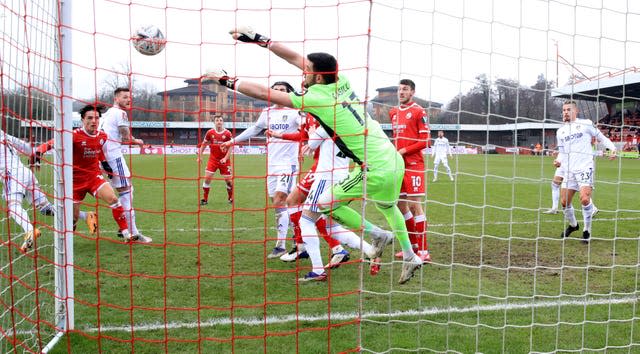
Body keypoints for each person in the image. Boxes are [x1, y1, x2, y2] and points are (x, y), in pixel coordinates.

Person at [210, 25, 422, 284]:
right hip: (392, 158)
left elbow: (266, 93)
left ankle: (376, 236)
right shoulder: (340, 80)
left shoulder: (315, 98)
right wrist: (259, 39)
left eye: (308, 70)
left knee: (323, 204)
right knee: (390, 209)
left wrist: (227, 81)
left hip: (374, 168)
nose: (303, 70)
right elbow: (296, 58)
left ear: (318, 77)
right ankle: (410, 255)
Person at [34, 104, 150, 243]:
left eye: (96, 118)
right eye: (89, 118)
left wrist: (105, 163)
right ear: (82, 120)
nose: (93, 121)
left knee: (113, 199)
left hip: (94, 177)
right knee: (73, 218)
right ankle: (65, 243)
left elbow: (98, 149)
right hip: (74, 181)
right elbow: (53, 142)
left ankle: (126, 234)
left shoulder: (102, 136)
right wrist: (39, 151)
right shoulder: (73, 136)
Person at [220, 81, 301, 259]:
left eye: (282, 90)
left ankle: (283, 244)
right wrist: (232, 141)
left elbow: (305, 131)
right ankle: (297, 238)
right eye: (276, 90)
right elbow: (254, 129)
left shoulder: (295, 112)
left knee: (281, 199)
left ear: (288, 93)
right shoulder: (267, 112)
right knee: (279, 204)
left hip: (288, 164)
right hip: (271, 164)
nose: (278, 93)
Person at [267, 114, 352, 268]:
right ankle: (335, 248)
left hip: (324, 167)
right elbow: (303, 135)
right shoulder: (307, 114)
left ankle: (302, 246)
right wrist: (281, 135)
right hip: (322, 166)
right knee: (314, 211)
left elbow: (316, 137)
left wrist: (312, 139)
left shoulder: (322, 112)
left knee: (295, 202)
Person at [554, 100, 616, 242]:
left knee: (585, 199)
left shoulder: (586, 124)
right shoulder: (561, 131)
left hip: (584, 167)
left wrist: (612, 148)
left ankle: (587, 230)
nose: (565, 112)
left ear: (576, 111)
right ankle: (573, 225)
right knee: (564, 202)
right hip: (568, 170)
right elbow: (562, 152)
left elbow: (601, 137)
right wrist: (558, 160)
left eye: (568, 110)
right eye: (563, 110)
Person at [98, 87, 150, 241]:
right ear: (116, 99)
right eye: (125, 97)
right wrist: (137, 141)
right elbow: (125, 136)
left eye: (129, 97)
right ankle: (133, 233)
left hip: (102, 156)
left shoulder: (106, 114)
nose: (128, 100)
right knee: (126, 193)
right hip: (114, 156)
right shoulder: (121, 113)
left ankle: (124, 227)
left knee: (128, 189)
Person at [389, 79, 432, 264]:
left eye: (405, 89)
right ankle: (412, 247)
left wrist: (404, 151)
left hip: (414, 165)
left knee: (415, 206)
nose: (401, 92)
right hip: (398, 165)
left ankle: (424, 251)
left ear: (412, 92)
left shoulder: (418, 111)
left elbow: (425, 141)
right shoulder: (393, 112)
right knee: (400, 205)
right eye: (399, 89)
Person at [0, 129, 55, 253]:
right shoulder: (3, 134)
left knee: (13, 206)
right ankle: (84, 215)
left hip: (12, 174)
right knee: (46, 209)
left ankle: (29, 230)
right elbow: (23, 145)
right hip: (25, 173)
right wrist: (35, 154)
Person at [197, 114, 233, 205]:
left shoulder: (228, 133)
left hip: (225, 161)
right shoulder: (210, 133)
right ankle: (205, 200)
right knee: (207, 179)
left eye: (220, 120)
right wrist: (200, 156)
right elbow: (204, 144)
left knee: (229, 182)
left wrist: (225, 158)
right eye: (217, 120)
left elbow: (231, 147)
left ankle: (230, 198)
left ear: (223, 122)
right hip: (213, 160)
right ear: (214, 122)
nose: (219, 122)